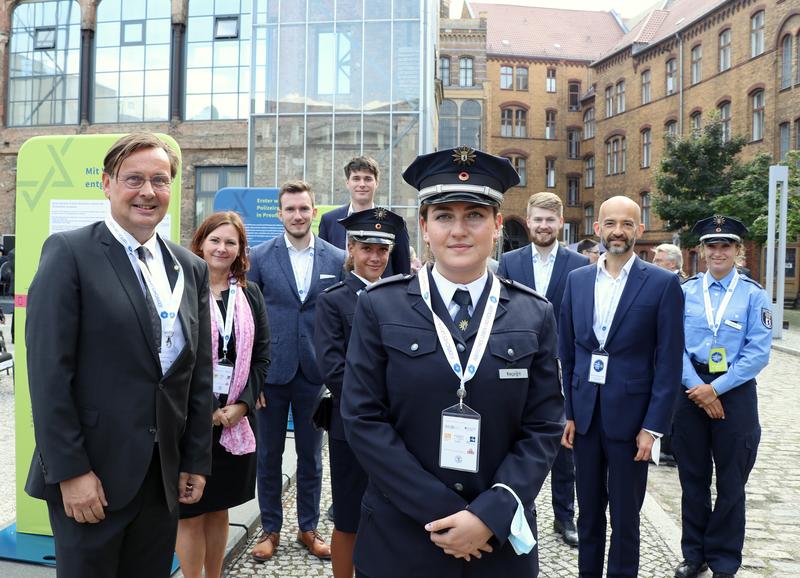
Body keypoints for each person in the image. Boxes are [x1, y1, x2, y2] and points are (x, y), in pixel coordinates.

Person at [341, 146, 565, 578]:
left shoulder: (533, 313)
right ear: (424, 228)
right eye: (444, 216)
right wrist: (447, 513)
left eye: (475, 216)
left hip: (497, 545)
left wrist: (489, 515)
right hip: (402, 538)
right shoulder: (379, 308)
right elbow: (363, 419)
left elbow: (544, 425)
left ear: (497, 225)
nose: (459, 230)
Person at [24, 133, 213, 578]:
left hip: (160, 477)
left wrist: (195, 459)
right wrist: (70, 472)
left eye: (160, 180)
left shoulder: (189, 267)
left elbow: (196, 374)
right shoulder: (70, 253)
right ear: (107, 184)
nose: (148, 192)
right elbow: (49, 373)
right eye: (134, 179)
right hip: (93, 477)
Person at [559, 195, 684, 578]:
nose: (618, 231)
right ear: (597, 228)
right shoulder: (577, 280)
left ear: (639, 230)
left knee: (626, 520)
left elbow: (669, 362)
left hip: (632, 424)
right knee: (589, 514)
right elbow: (567, 350)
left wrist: (653, 428)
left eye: (627, 224)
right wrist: (569, 412)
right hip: (585, 419)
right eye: (610, 223)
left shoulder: (662, 285)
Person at [248, 180, 346, 561]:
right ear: (280, 214)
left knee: (311, 456)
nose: (298, 215)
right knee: (268, 455)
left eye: (304, 208)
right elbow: (250, 320)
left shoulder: (337, 259)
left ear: (314, 211)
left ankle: (308, 527)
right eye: (290, 209)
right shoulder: (258, 257)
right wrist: (251, 379)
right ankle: (270, 528)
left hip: (315, 374)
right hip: (271, 375)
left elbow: (339, 319)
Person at [672, 216, 771, 578]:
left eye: (725, 245)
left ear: (738, 252)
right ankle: (693, 554)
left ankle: (725, 559)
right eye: (711, 245)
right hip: (690, 388)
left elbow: (757, 352)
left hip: (735, 392)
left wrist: (717, 389)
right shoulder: (683, 292)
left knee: (731, 482)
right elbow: (672, 344)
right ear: (700, 251)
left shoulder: (753, 295)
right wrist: (698, 387)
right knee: (692, 479)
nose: (718, 252)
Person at [175, 212, 270, 578]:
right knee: (190, 512)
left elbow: (262, 356)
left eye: (231, 242)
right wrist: (204, 410)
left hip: (235, 424)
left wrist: (242, 406)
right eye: (215, 240)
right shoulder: (181, 290)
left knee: (218, 508)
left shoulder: (249, 294)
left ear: (240, 250)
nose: (222, 248)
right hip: (188, 422)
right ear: (200, 242)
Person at [315, 207, 405, 578]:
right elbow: (334, 369)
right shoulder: (333, 299)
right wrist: (372, 409)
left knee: (394, 512)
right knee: (350, 515)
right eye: (367, 248)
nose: (375, 257)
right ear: (350, 248)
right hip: (352, 424)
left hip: (399, 424)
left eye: (382, 250)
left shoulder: (402, 298)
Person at [497, 192, 588, 548]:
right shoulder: (509, 261)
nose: (543, 226)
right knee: (515, 439)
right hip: (516, 364)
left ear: (560, 223)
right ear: (528, 220)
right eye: (537, 220)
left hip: (562, 366)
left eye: (550, 220)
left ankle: (564, 516)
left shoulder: (579, 263)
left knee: (563, 444)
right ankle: (517, 509)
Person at [318, 156, 411, 276]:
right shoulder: (329, 221)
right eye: (356, 179)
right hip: (339, 292)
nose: (362, 184)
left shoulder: (395, 223)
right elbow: (323, 265)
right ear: (347, 183)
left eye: (368, 179)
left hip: (381, 293)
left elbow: (403, 273)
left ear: (376, 183)